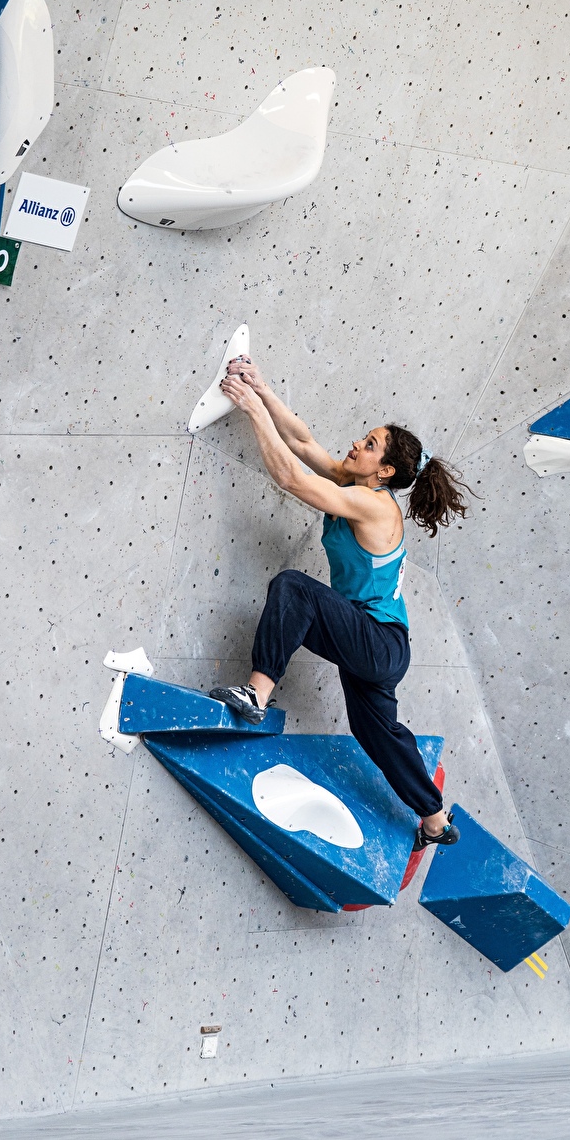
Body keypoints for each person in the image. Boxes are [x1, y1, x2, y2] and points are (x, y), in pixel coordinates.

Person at [210, 356, 470, 850]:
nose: (356, 444)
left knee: (294, 587)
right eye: (363, 437)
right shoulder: (356, 484)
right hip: (378, 641)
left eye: (369, 445)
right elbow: (303, 442)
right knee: (377, 734)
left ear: (386, 471)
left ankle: (257, 696)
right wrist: (262, 389)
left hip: (379, 640)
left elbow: (292, 478)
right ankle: (436, 822)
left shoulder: (374, 505)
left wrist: (250, 411)